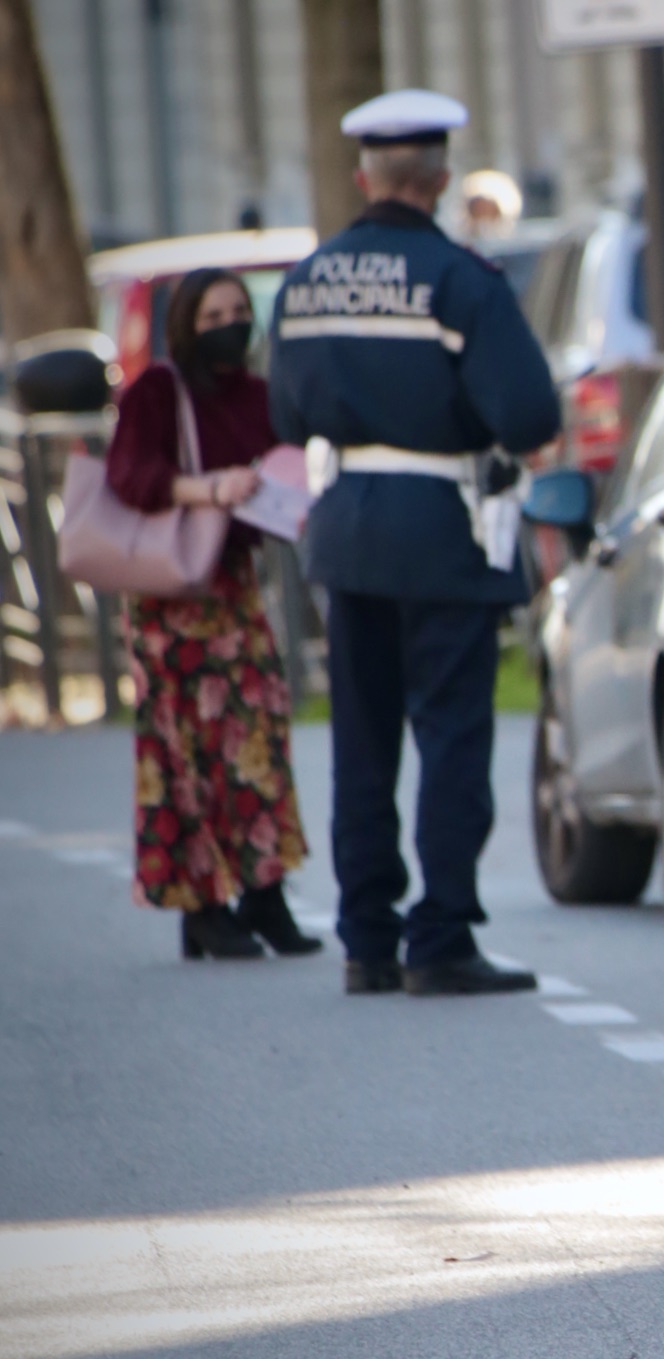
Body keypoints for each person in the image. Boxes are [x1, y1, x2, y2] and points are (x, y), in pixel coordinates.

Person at [267, 89, 561, 996]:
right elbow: (529, 415)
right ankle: (439, 936)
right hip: (444, 533)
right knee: (450, 740)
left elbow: (283, 412)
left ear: (363, 177)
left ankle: (365, 939)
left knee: (362, 741)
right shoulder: (461, 280)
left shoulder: (307, 280)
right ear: (436, 179)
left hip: (346, 531)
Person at [107, 267, 320, 962]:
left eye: (238, 311)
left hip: (233, 589)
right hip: (174, 603)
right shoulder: (158, 393)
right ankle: (202, 905)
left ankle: (265, 894)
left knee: (258, 739)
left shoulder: (260, 396)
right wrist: (210, 489)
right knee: (188, 750)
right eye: (211, 316)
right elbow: (130, 477)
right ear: (184, 328)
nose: (229, 325)